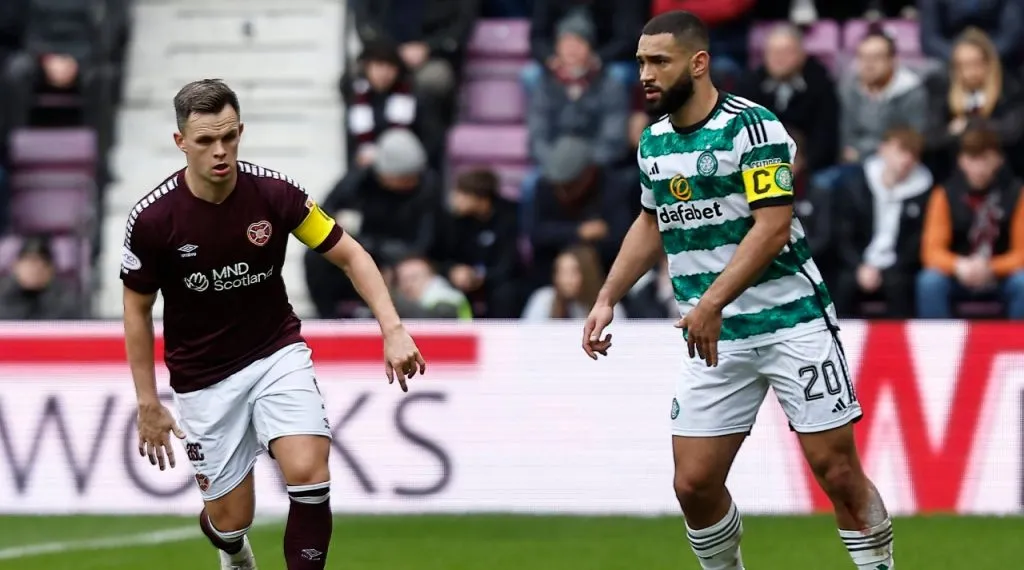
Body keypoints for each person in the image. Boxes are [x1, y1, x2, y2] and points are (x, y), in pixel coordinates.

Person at [582, 12, 895, 570]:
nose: (646, 74)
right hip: (714, 336)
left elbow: (773, 227)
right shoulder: (653, 141)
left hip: (791, 322)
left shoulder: (754, 128)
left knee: (838, 471)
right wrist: (607, 296)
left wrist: (710, 303)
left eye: (659, 61)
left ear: (699, 63)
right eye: (641, 63)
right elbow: (651, 222)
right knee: (693, 483)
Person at [120, 79, 426, 570]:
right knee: (230, 519)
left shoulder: (275, 193)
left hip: (275, 353)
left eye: (229, 137)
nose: (220, 151)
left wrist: (392, 329)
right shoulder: (153, 220)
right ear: (181, 142)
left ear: (240, 131)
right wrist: (147, 401)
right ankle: (233, 550)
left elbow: (351, 255)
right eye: (205, 140)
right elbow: (136, 310)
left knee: (308, 472)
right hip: (202, 376)